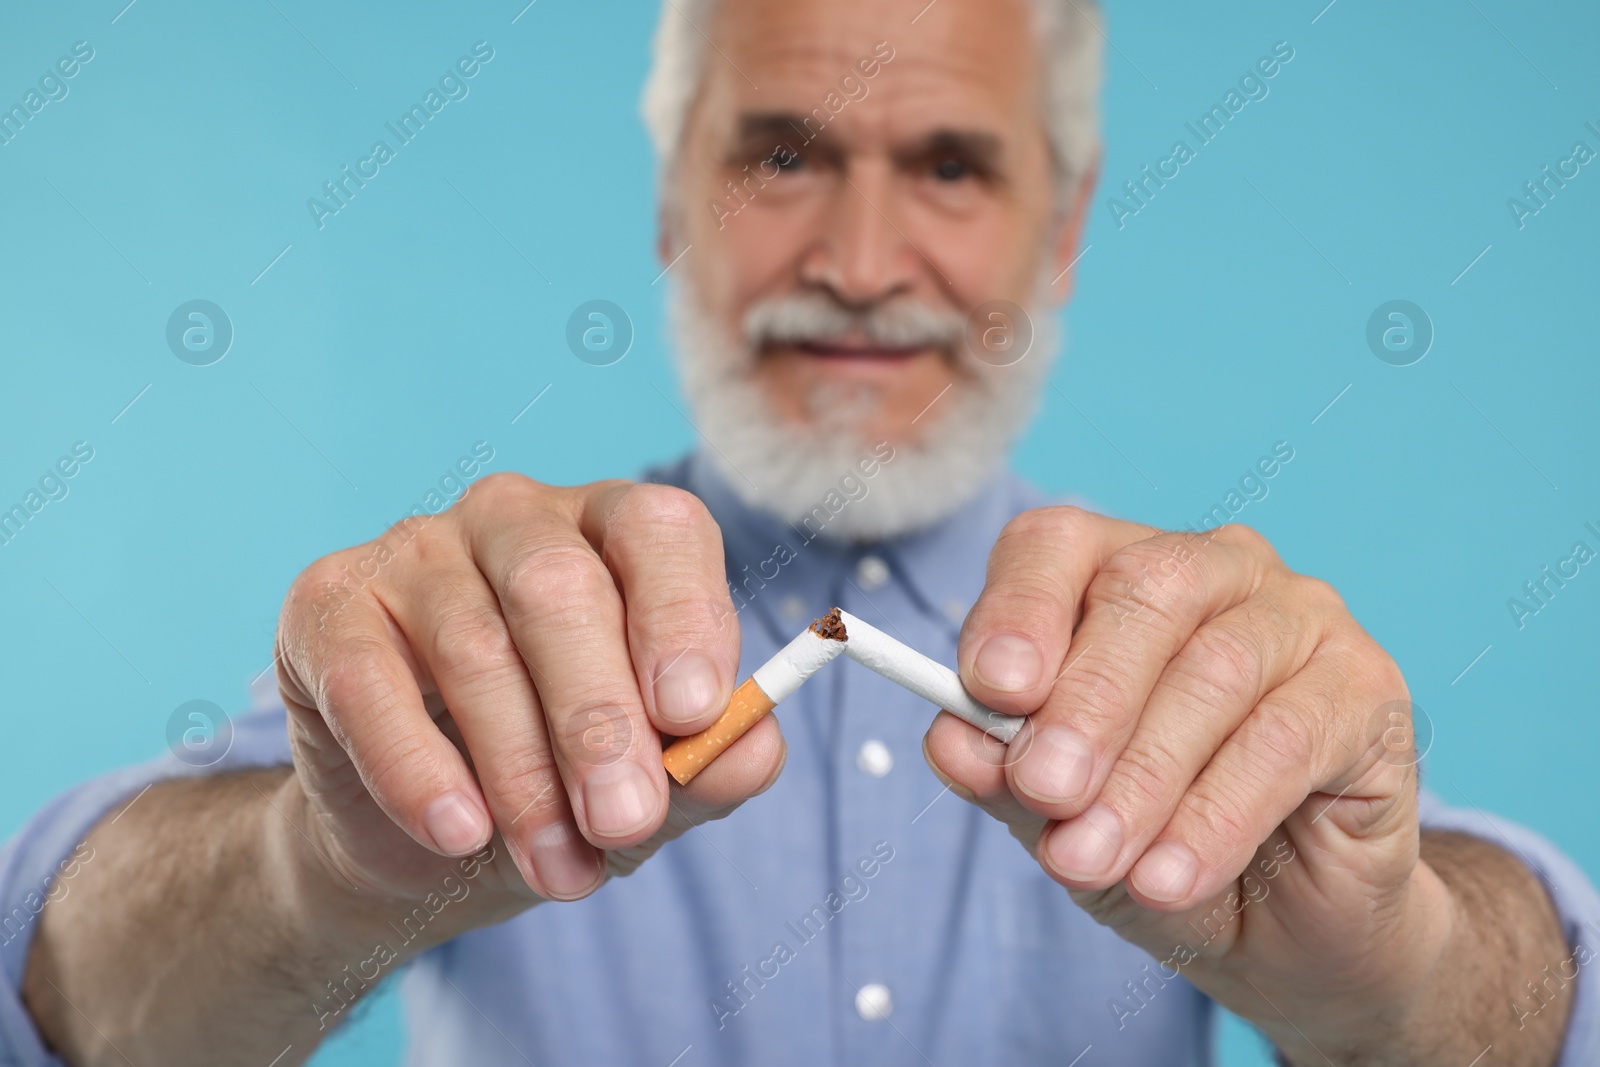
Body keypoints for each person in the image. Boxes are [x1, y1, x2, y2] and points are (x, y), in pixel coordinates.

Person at [5, 0, 1597, 1063]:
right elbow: (66, 995)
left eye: (951, 166)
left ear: (1064, 228)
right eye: (783, 154)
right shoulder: (480, 643)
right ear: (668, 203)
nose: (858, 255)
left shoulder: (1177, 663)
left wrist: (1391, 974)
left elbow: (1507, 981)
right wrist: (316, 870)